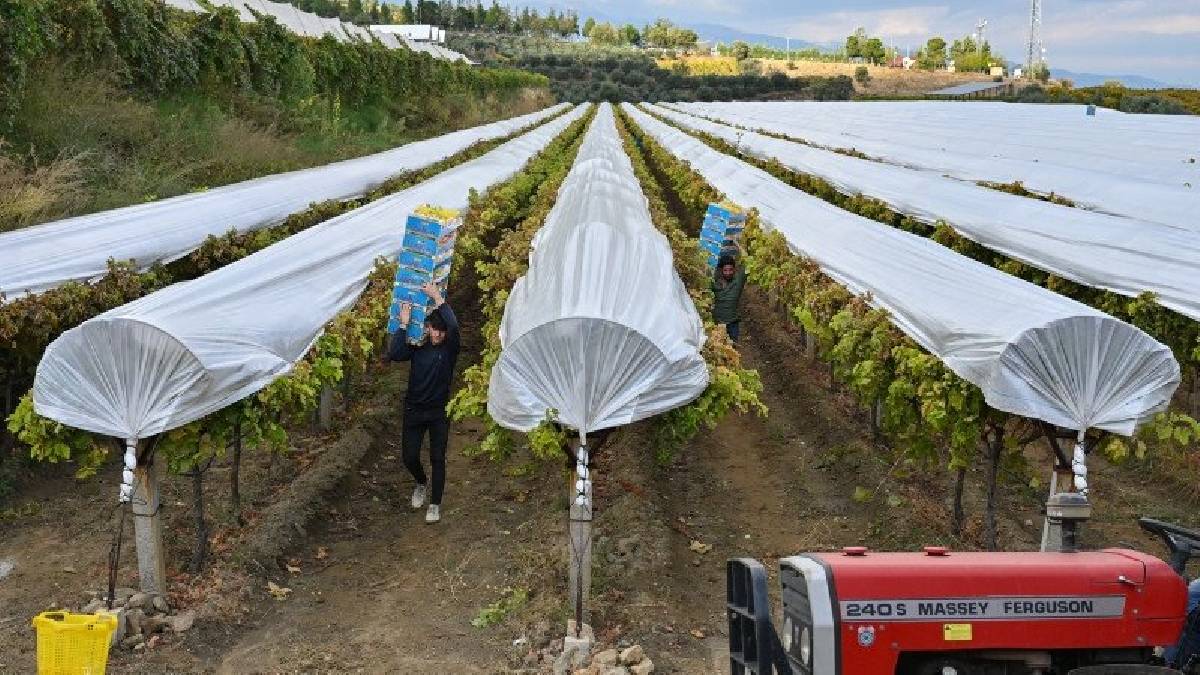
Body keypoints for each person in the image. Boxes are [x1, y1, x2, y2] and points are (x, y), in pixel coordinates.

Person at [386, 282, 460, 524]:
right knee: (409, 457)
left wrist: (437, 296)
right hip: (414, 409)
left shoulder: (450, 349)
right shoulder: (418, 346)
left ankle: (435, 504)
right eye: (433, 329)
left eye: (441, 331)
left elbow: (454, 326)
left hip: (439, 412)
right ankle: (420, 482)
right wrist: (404, 323)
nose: (437, 334)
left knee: (437, 458)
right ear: (427, 328)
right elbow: (396, 354)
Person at [712, 245, 747, 343]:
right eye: (725, 270)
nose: (728, 273)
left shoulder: (738, 280)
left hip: (733, 323)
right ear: (721, 271)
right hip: (718, 323)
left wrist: (739, 247)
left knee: (733, 348)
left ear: (734, 270)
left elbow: (748, 263)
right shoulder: (714, 283)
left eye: (730, 270)